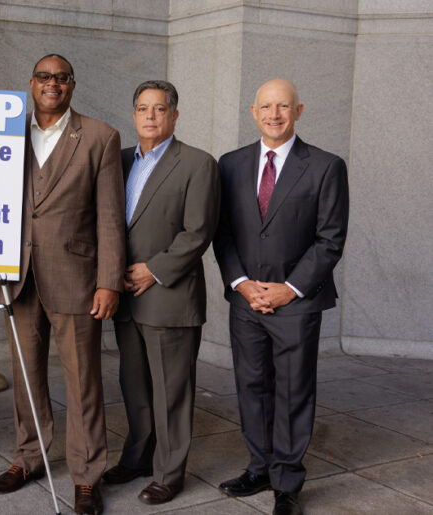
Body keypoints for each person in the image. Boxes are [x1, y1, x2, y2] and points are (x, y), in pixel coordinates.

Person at [0, 54, 125, 515]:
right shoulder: (4, 135)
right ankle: (29, 458)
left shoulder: (101, 137)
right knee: (27, 377)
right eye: (44, 77)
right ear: (31, 83)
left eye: (61, 78)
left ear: (72, 85)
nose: (52, 84)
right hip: (18, 277)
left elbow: (109, 217)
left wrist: (109, 282)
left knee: (84, 380)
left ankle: (87, 475)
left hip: (77, 280)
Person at [213, 79, 349, 515]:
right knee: (251, 387)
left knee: (293, 390)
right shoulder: (230, 164)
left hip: (299, 302)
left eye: (284, 106)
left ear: (299, 110)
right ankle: (259, 467)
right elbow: (222, 232)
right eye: (267, 106)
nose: (275, 114)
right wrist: (240, 282)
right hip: (246, 301)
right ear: (253, 112)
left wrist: (290, 289)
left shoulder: (326, 166)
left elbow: (330, 239)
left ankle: (287, 482)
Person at [104, 80, 220, 504]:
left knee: (171, 391)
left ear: (173, 115)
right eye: (142, 108)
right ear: (134, 114)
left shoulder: (197, 163)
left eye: (159, 109)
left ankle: (169, 473)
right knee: (134, 385)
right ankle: (137, 457)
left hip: (169, 295)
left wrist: (152, 270)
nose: (150, 116)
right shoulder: (115, 162)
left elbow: (198, 231)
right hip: (124, 295)